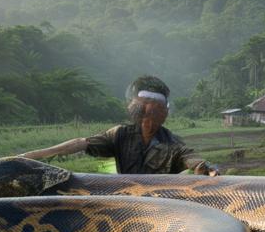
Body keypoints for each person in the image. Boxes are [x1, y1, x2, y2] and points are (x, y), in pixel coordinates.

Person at [19, 75, 218, 175]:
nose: (148, 115)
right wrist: (33, 156)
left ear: (162, 113)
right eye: (144, 109)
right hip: (125, 201)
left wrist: (207, 168)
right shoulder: (120, 134)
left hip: (160, 207)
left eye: (153, 110)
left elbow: (193, 159)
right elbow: (82, 143)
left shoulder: (173, 144)